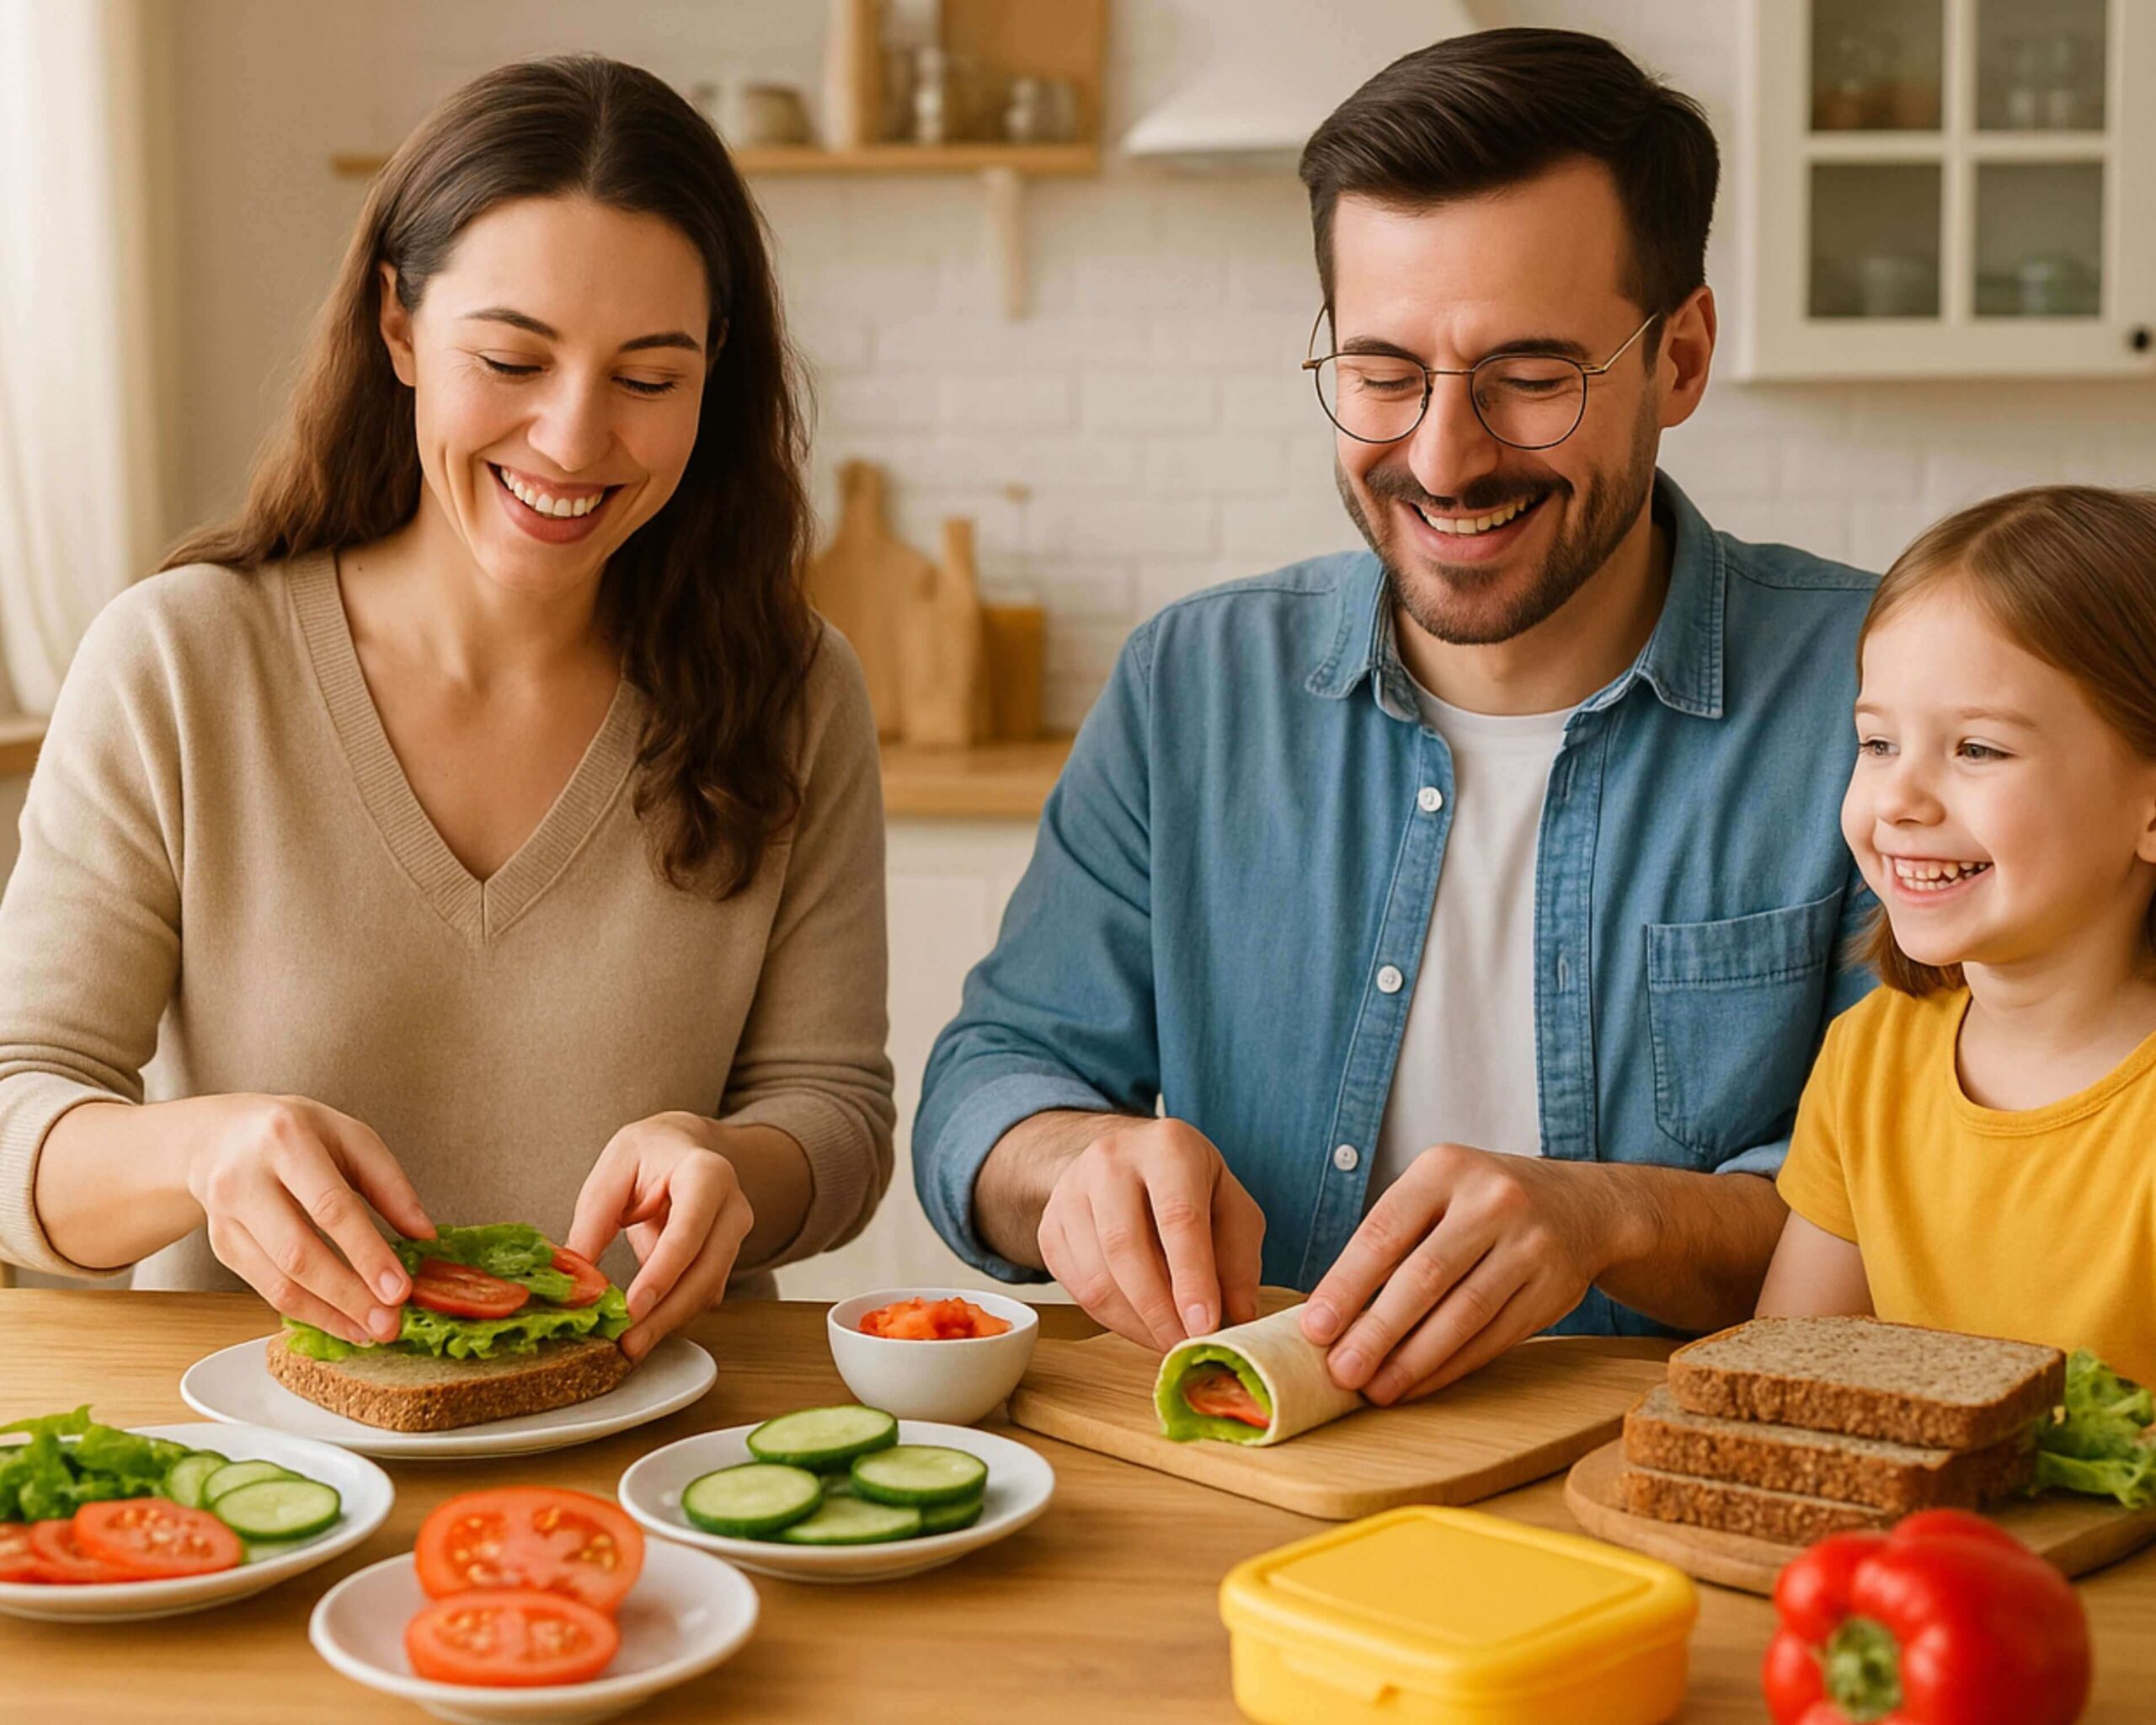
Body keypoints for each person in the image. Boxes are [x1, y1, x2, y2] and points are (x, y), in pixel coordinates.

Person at [915, 29, 1879, 1403]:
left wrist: (1611, 1215)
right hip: (1256, 1482)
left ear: (1680, 357)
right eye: (1382, 371)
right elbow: (986, 1084)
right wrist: (1069, 1162)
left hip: (1687, 1488)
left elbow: (1944, 1187)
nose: (1441, 455)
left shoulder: (1881, 701)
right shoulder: (1192, 686)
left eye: (1531, 376)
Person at [0, 56, 894, 1361]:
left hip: (656, 1446)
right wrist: (201, 1152)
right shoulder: (180, 663)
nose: (575, 440)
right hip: (272, 1465)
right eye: (513, 358)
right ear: (401, 328)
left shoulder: (797, 693)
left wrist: (733, 1169)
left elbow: (838, 1118)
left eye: (650, 379)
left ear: (715, 378)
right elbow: (20, 1105)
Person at [1758, 487, 2156, 1386]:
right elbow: (1785, 1386)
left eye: (1977, 749)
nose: (1899, 799)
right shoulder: (1868, 1060)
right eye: (1877, 743)